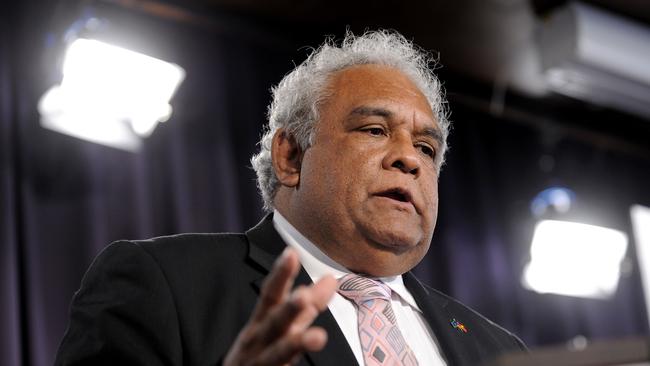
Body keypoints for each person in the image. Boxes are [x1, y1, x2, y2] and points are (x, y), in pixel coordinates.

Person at [55, 30, 526, 366]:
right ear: (291, 155)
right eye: (375, 130)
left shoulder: (501, 351)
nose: (409, 159)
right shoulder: (164, 286)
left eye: (427, 147)